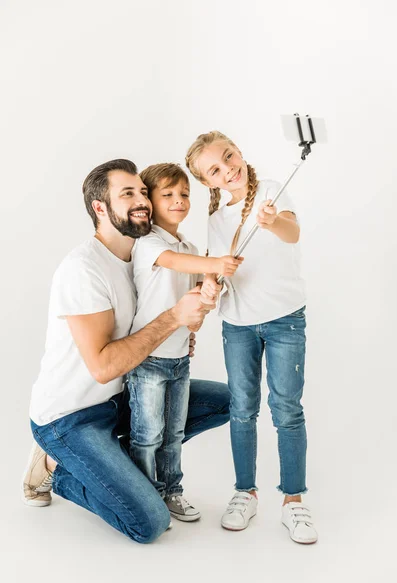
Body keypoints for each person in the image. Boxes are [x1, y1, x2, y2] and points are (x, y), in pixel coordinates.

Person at [22, 158, 230, 543]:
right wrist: (172, 318)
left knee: (228, 401)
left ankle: (117, 463)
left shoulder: (142, 252)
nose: (143, 201)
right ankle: (58, 464)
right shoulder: (83, 269)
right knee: (148, 523)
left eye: (142, 192)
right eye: (127, 194)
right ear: (100, 208)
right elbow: (102, 367)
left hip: (124, 398)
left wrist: (195, 312)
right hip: (70, 418)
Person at [185, 131, 318, 544]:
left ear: (239, 151)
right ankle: (245, 492)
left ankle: (293, 500)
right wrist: (212, 283)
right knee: (243, 408)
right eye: (216, 170)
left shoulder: (273, 191)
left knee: (286, 409)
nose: (229, 169)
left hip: (284, 322)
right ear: (209, 182)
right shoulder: (215, 219)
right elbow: (216, 270)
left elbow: (293, 232)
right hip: (237, 325)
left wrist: (271, 220)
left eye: (230, 157)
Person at [128, 163, 242, 522]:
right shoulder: (148, 244)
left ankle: (172, 491)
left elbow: (199, 297)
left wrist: (212, 285)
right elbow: (176, 263)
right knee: (148, 435)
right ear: (151, 201)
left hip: (178, 360)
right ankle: (147, 494)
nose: (178, 201)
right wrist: (214, 264)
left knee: (173, 433)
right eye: (168, 195)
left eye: (184, 195)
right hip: (147, 361)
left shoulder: (189, 246)